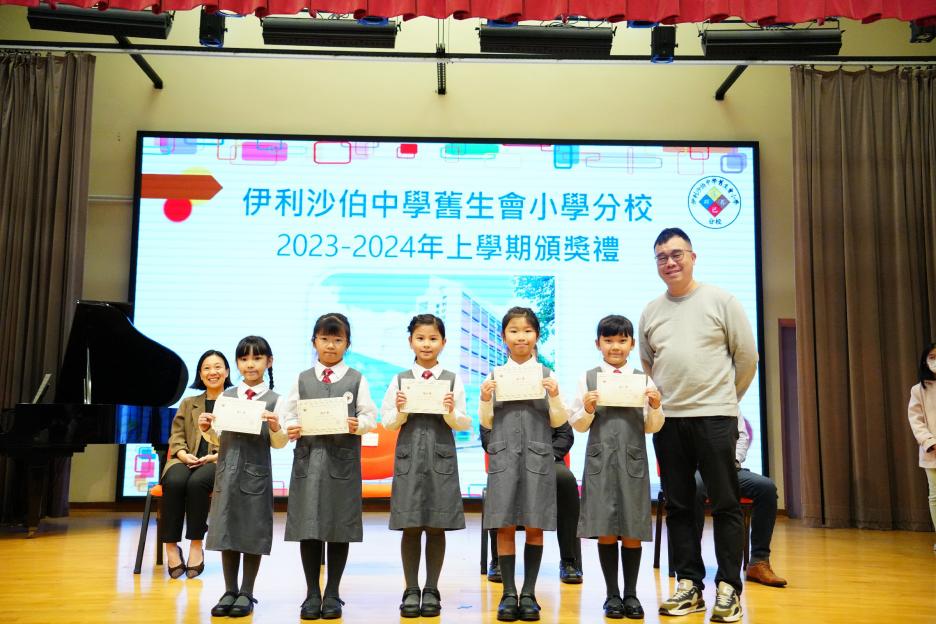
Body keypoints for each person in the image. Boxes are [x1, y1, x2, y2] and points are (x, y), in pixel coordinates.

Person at [639, 227, 758, 623]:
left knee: (724, 503)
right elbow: (649, 365)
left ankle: (728, 588)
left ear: (692, 257)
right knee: (679, 505)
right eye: (662, 257)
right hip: (669, 422)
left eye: (677, 254)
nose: (670, 262)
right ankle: (689, 584)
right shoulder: (651, 311)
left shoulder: (721, 301)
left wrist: (725, 399)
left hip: (715, 417)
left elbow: (747, 357)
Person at [280, 313, 378, 620]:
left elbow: (369, 417)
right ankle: (312, 593)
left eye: (338, 340)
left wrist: (358, 424)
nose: (331, 345)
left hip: (341, 464)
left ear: (347, 344)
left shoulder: (356, 379)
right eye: (324, 339)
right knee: (308, 527)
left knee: (339, 527)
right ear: (314, 342)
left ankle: (333, 592)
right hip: (309, 461)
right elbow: (287, 416)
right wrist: (292, 427)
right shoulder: (302, 379)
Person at [570, 314, 664, 619]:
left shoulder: (643, 379)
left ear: (632, 344)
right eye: (608, 340)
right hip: (600, 462)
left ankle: (632, 594)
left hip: (632, 462)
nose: (615, 346)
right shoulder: (588, 378)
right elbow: (578, 425)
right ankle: (612, 594)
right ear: (598, 344)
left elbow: (652, 426)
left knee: (633, 527)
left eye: (622, 340)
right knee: (606, 528)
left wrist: (655, 405)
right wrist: (587, 409)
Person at [480, 306, 569, 622]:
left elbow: (559, 421)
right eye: (514, 331)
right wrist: (484, 398)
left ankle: (529, 593)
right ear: (503, 336)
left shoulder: (547, 375)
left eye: (527, 331)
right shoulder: (494, 376)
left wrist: (554, 396)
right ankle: (508, 593)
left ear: (537, 336)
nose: (521, 337)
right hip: (504, 457)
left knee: (534, 524)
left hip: (537, 457)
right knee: (504, 524)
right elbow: (486, 423)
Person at [381, 314, 471, 618]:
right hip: (409, 458)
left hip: (440, 458)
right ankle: (410, 589)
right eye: (420, 338)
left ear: (443, 343)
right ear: (410, 342)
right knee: (410, 526)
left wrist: (450, 412)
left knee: (435, 525)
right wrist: (400, 409)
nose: (426, 344)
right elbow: (388, 422)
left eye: (433, 338)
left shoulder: (452, 379)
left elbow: (463, 422)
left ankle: (431, 588)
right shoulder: (400, 380)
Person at [198, 336, 286, 618]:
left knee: (252, 530)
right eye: (244, 359)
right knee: (227, 528)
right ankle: (229, 590)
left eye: (257, 358)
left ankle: (246, 592)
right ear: (237, 363)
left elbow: (280, 443)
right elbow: (218, 436)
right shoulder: (227, 396)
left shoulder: (276, 400)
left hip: (256, 474)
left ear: (268, 362)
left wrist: (276, 427)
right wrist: (205, 428)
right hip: (228, 473)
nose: (250, 364)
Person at [481, 422, 581, 586]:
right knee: (501, 479)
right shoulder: (494, 404)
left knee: (566, 479)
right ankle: (498, 559)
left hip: (546, 459)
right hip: (509, 458)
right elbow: (487, 435)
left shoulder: (553, 405)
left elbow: (565, 434)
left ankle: (568, 560)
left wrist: (546, 456)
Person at [160, 349, 231, 579]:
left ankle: (196, 545)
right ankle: (171, 547)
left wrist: (214, 456)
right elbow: (176, 435)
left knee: (197, 483)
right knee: (174, 481)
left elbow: (235, 440)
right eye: (207, 368)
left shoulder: (234, 403)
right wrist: (182, 454)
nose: (213, 372)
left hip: (217, 460)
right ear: (200, 374)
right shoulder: (189, 403)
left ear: (227, 372)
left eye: (218, 367)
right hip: (184, 458)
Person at [694, 416, 787, 587]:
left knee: (766, 488)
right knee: (693, 489)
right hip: (697, 469)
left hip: (729, 466)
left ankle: (758, 561)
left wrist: (731, 461)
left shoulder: (729, 404)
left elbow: (742, 436)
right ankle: (692, 565)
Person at [907, 341, 936, 550]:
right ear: (925, 361)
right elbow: (915, 420)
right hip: (933, 451)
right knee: (935, 496)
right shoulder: (918, 390)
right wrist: (930, 442)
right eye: (932, 357)